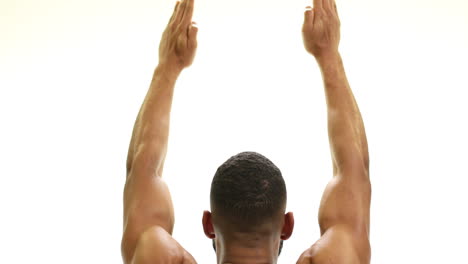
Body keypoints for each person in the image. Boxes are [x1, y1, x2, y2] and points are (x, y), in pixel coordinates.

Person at [121, 0, 371, 263]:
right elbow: (355, 169)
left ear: (208, 223)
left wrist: (168, 68)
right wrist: (328, 55)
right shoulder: (337, 256)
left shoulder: (155, 255)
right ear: (287, 225)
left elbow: (141, 168)